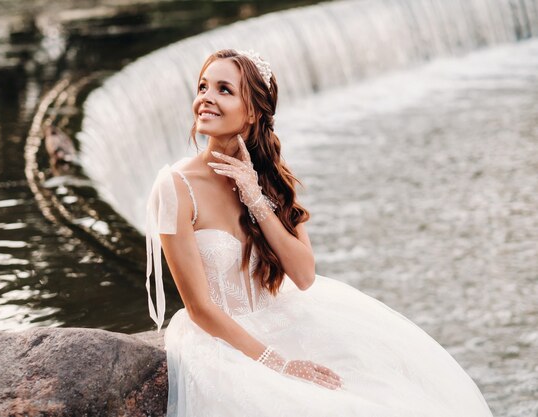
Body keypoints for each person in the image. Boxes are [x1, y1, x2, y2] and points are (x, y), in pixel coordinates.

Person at [144, 48, 493, 417]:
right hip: (224, 344)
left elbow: (304, 274)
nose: (206, 99)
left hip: (288, 321)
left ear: (252, 113)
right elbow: (200, 308)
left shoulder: (271, 177)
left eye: (224, 90)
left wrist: (254, 197)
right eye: (203, 87)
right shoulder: (174, 187)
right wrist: (277, 363)